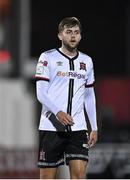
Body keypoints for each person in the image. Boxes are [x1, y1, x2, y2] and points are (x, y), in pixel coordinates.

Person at [35, 16, 98, 179]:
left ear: (81, 36)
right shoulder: (47, 58)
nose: (73, 36)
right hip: (51, 127)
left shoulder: (87, 61)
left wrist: (94, 127)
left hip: (78, 128)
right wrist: (58, 112)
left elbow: (89, 95)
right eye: (68, 32)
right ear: (60, 35)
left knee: (79, 176)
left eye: (76, 32)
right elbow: (41, 92)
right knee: (47, 178)